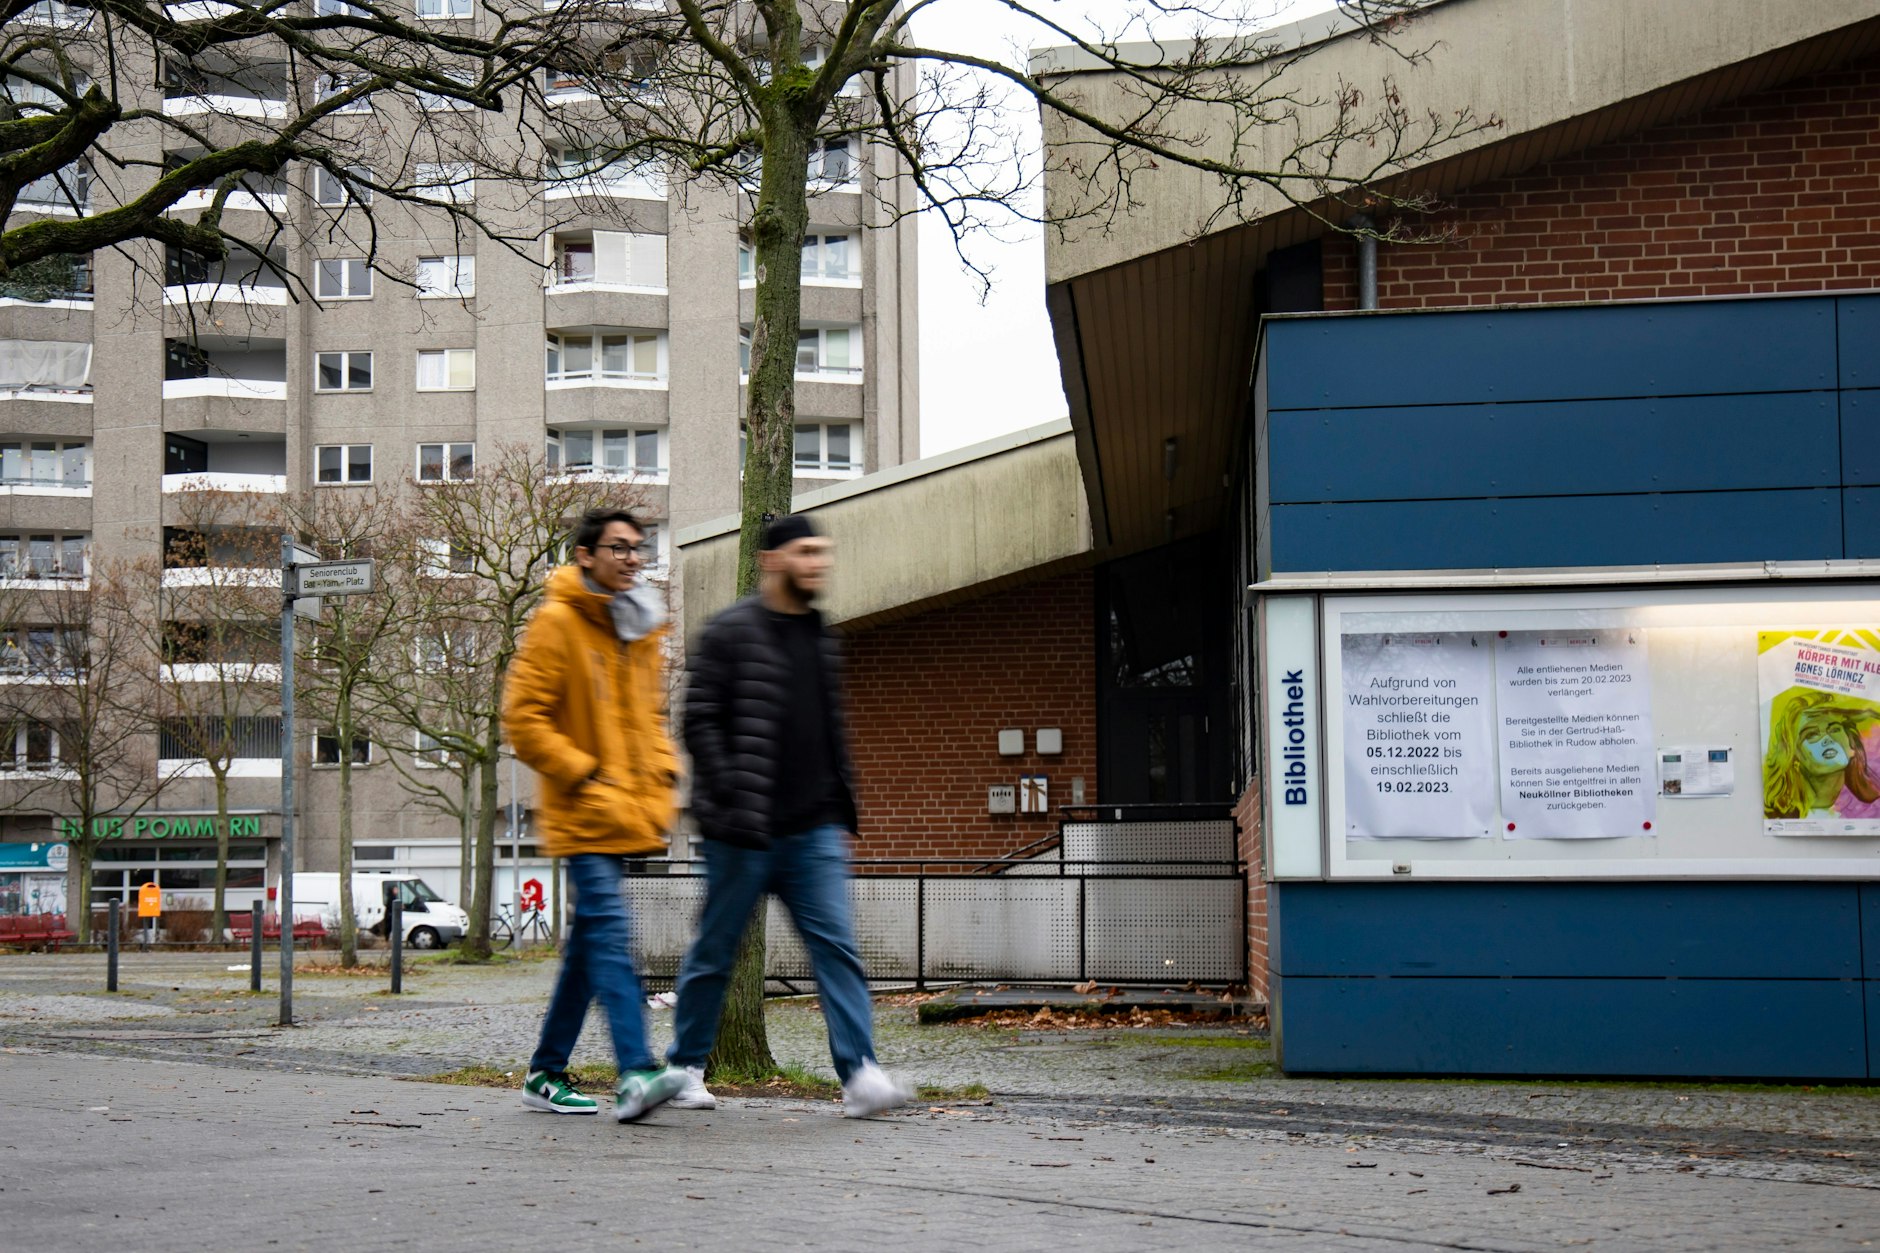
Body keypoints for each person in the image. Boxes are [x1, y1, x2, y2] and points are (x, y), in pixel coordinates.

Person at [668, 513, 913, 1117]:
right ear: (772, 560)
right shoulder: (728, 632)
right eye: (806, 552)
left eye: (824, 553)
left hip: (814, 829)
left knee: (837, 949)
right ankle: (685, 1068)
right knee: (714, 951)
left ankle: (859, 1074)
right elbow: (698, 720)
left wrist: (839, 798)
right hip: (743, 831)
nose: (819, 563)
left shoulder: (822, 635)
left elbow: (826, 727)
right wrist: (728, 792)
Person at [502, 507, 689, 1122]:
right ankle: (636, 1070)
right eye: (618, 548)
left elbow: (648, 721)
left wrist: (664, 769)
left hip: (626, 806)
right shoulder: (558, 623)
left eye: (638, 548)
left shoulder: (635, 626)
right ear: (585, 555)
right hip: (582, 808)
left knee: (589, 946)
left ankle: (544, 1073)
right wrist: (584, 770)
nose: (633, 558)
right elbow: (523, 720)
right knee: (610, 932)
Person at [1762, 687, 1880, 820]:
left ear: (1851, 745)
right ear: (1794, 756)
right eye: (1811, 734)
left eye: (1834, 729)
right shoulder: (1779, 816)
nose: (1827, 739)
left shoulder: (1872, 809)